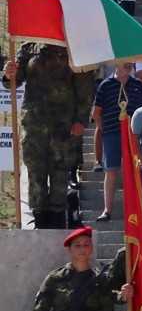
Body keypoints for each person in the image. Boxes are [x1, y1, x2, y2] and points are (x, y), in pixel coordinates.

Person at [5, 44, 96, 229]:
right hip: (35, 124)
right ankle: (39, 222)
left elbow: (86, 88)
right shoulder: (29, 48)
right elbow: (14, 81)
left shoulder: (73, 47)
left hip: (63, 126)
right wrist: (9, 73)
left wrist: (81, 119)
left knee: (60, 174)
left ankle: (56, 224)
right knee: (35, 173)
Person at [90, 59, 142, 222]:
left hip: (133, 135)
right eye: (125, 62)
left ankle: (137, 208)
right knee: (112, 170)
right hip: (112, 134)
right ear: (116, 64)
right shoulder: (105, 85)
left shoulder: (137, 84)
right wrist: (103, 129)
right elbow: (96, 112)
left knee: (135, 170)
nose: (129, 65)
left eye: (131, 62)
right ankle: (107, 209)